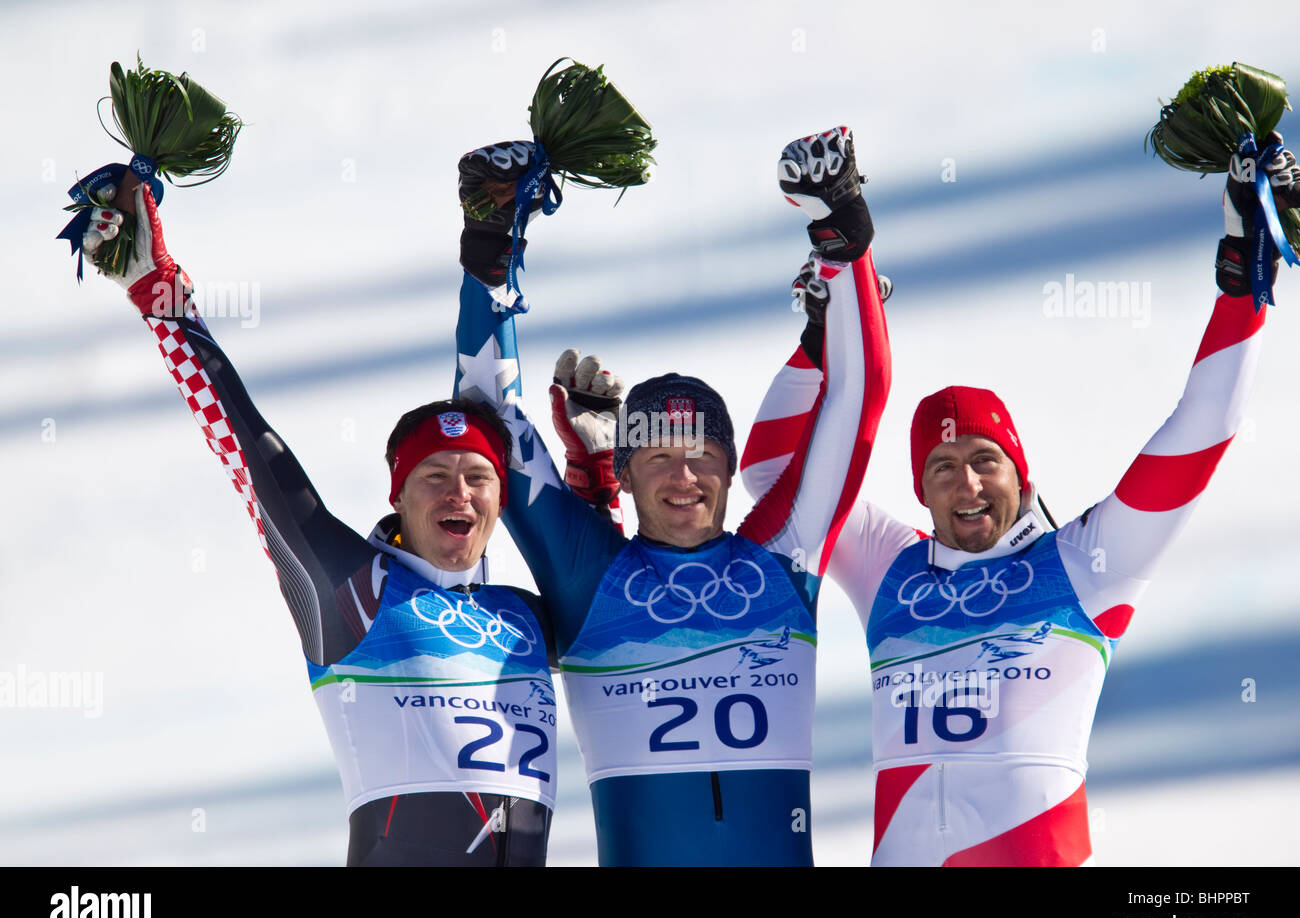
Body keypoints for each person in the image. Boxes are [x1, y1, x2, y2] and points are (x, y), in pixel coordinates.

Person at [739, 134, 1296, 865]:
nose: (966, 484)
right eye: (941, 467)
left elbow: (1203, 427)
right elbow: (771, 473)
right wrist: (821, 339)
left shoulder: (1089, 563)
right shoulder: (890, 567)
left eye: (984, 461)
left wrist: (1240, 278)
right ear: (920, 491)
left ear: (1021, 476)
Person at [77, 181, 601, 866]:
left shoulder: (527, 620)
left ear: (502, 501)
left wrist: (597, 476)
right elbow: (248, 447)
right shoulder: (354, 587)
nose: (460, 495)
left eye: (479, 479)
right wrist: (160, 293)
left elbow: (621, 613)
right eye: (434, 478)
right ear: (399, 495)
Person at [452, 127, 891, 865]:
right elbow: (484, 413)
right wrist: (491, 250)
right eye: (658, 457)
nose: (684, 476)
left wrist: (843, 228)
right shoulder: (590, 575)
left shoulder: (786, 557)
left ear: (730, 465)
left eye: (703, 455)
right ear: (624, 472)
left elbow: (859, 396)